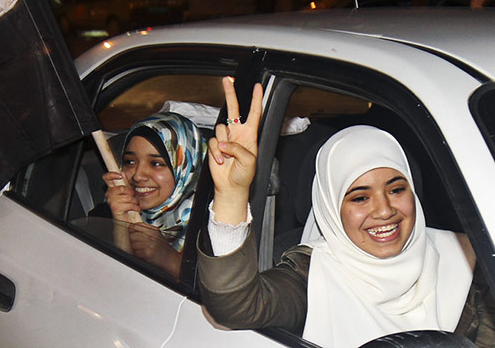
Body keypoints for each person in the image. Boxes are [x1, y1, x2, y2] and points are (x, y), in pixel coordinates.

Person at [197, 77, 495, 347]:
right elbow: (234, 306)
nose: (384, 210)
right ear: (330, 208)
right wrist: (232, 195)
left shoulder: (467, 257)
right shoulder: (313, 275)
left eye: (396, 190)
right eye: (360, 198)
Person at [91, 112, 206, 277]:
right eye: (130, 161)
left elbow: (227, 294)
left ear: (186, 168)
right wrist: (121, 227)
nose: (138, 175)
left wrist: (169, 259)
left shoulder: (214, 228)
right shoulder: (102, 217)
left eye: (156, 164)